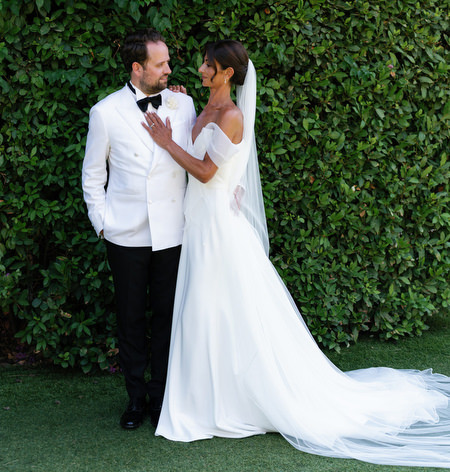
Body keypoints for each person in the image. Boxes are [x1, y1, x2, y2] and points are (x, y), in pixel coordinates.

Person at [141, 39, 450, 467]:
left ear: (228, 73)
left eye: (208, 65)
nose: (199, 69)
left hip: (217, 230)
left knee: (215, 309)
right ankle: (208, 399)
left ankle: (234, 401)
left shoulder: (231, 116)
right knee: (206, 312)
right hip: (198, 225)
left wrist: (164, 141)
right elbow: (200, 144)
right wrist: (176, 109)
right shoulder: (202, 108)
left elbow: (207, 172)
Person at [82, 29, 196, 430]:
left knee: (167, 316)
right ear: (137, 67)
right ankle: (134, 399)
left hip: (172, 233)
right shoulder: (105, 112)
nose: (169, 68)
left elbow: (198, 158)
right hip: (125, 235)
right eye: (161, 63)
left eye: (167, 62)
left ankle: (162, 396)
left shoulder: (183, 104)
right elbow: (93, 176)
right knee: (130, 318)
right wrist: (103, 226)